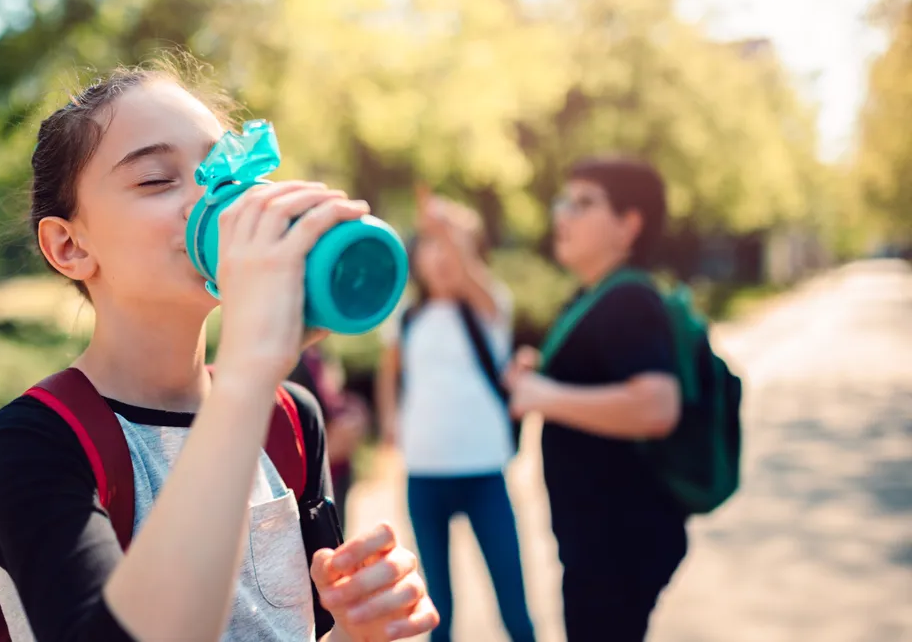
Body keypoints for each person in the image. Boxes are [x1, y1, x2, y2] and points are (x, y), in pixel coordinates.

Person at [0, 57, 439, 642]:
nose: (211, 199)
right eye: (155, 180)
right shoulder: (35, 442)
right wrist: (249, 368)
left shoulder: (289, 418)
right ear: (69, 245)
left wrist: (356, 629)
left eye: (224, 172)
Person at [503, 157, 685, 642]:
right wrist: (540, 371)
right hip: (598, 541)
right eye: (564, 200)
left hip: (617, 544)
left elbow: (657, 406)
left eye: (584, 204)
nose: (563, 214)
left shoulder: (628, 300)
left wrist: (544, 394)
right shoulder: (594, 296)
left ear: (628, 226)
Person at [374, 186, 536, 642]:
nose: (442, 255)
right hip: (424, 474)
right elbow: (391, 374)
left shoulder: (489, 307)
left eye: (454, 244)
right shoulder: (406, 317)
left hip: (484, 472)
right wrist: (390, 420)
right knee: (438, 610)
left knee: (514, 607)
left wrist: (446, 228)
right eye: (432, 243)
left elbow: (467, 271)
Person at [287, 343, 369, 533]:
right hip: (313, 485)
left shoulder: (320, 353)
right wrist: (325, 451)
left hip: (337, 474)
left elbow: (331, 398)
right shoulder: (292, 359)